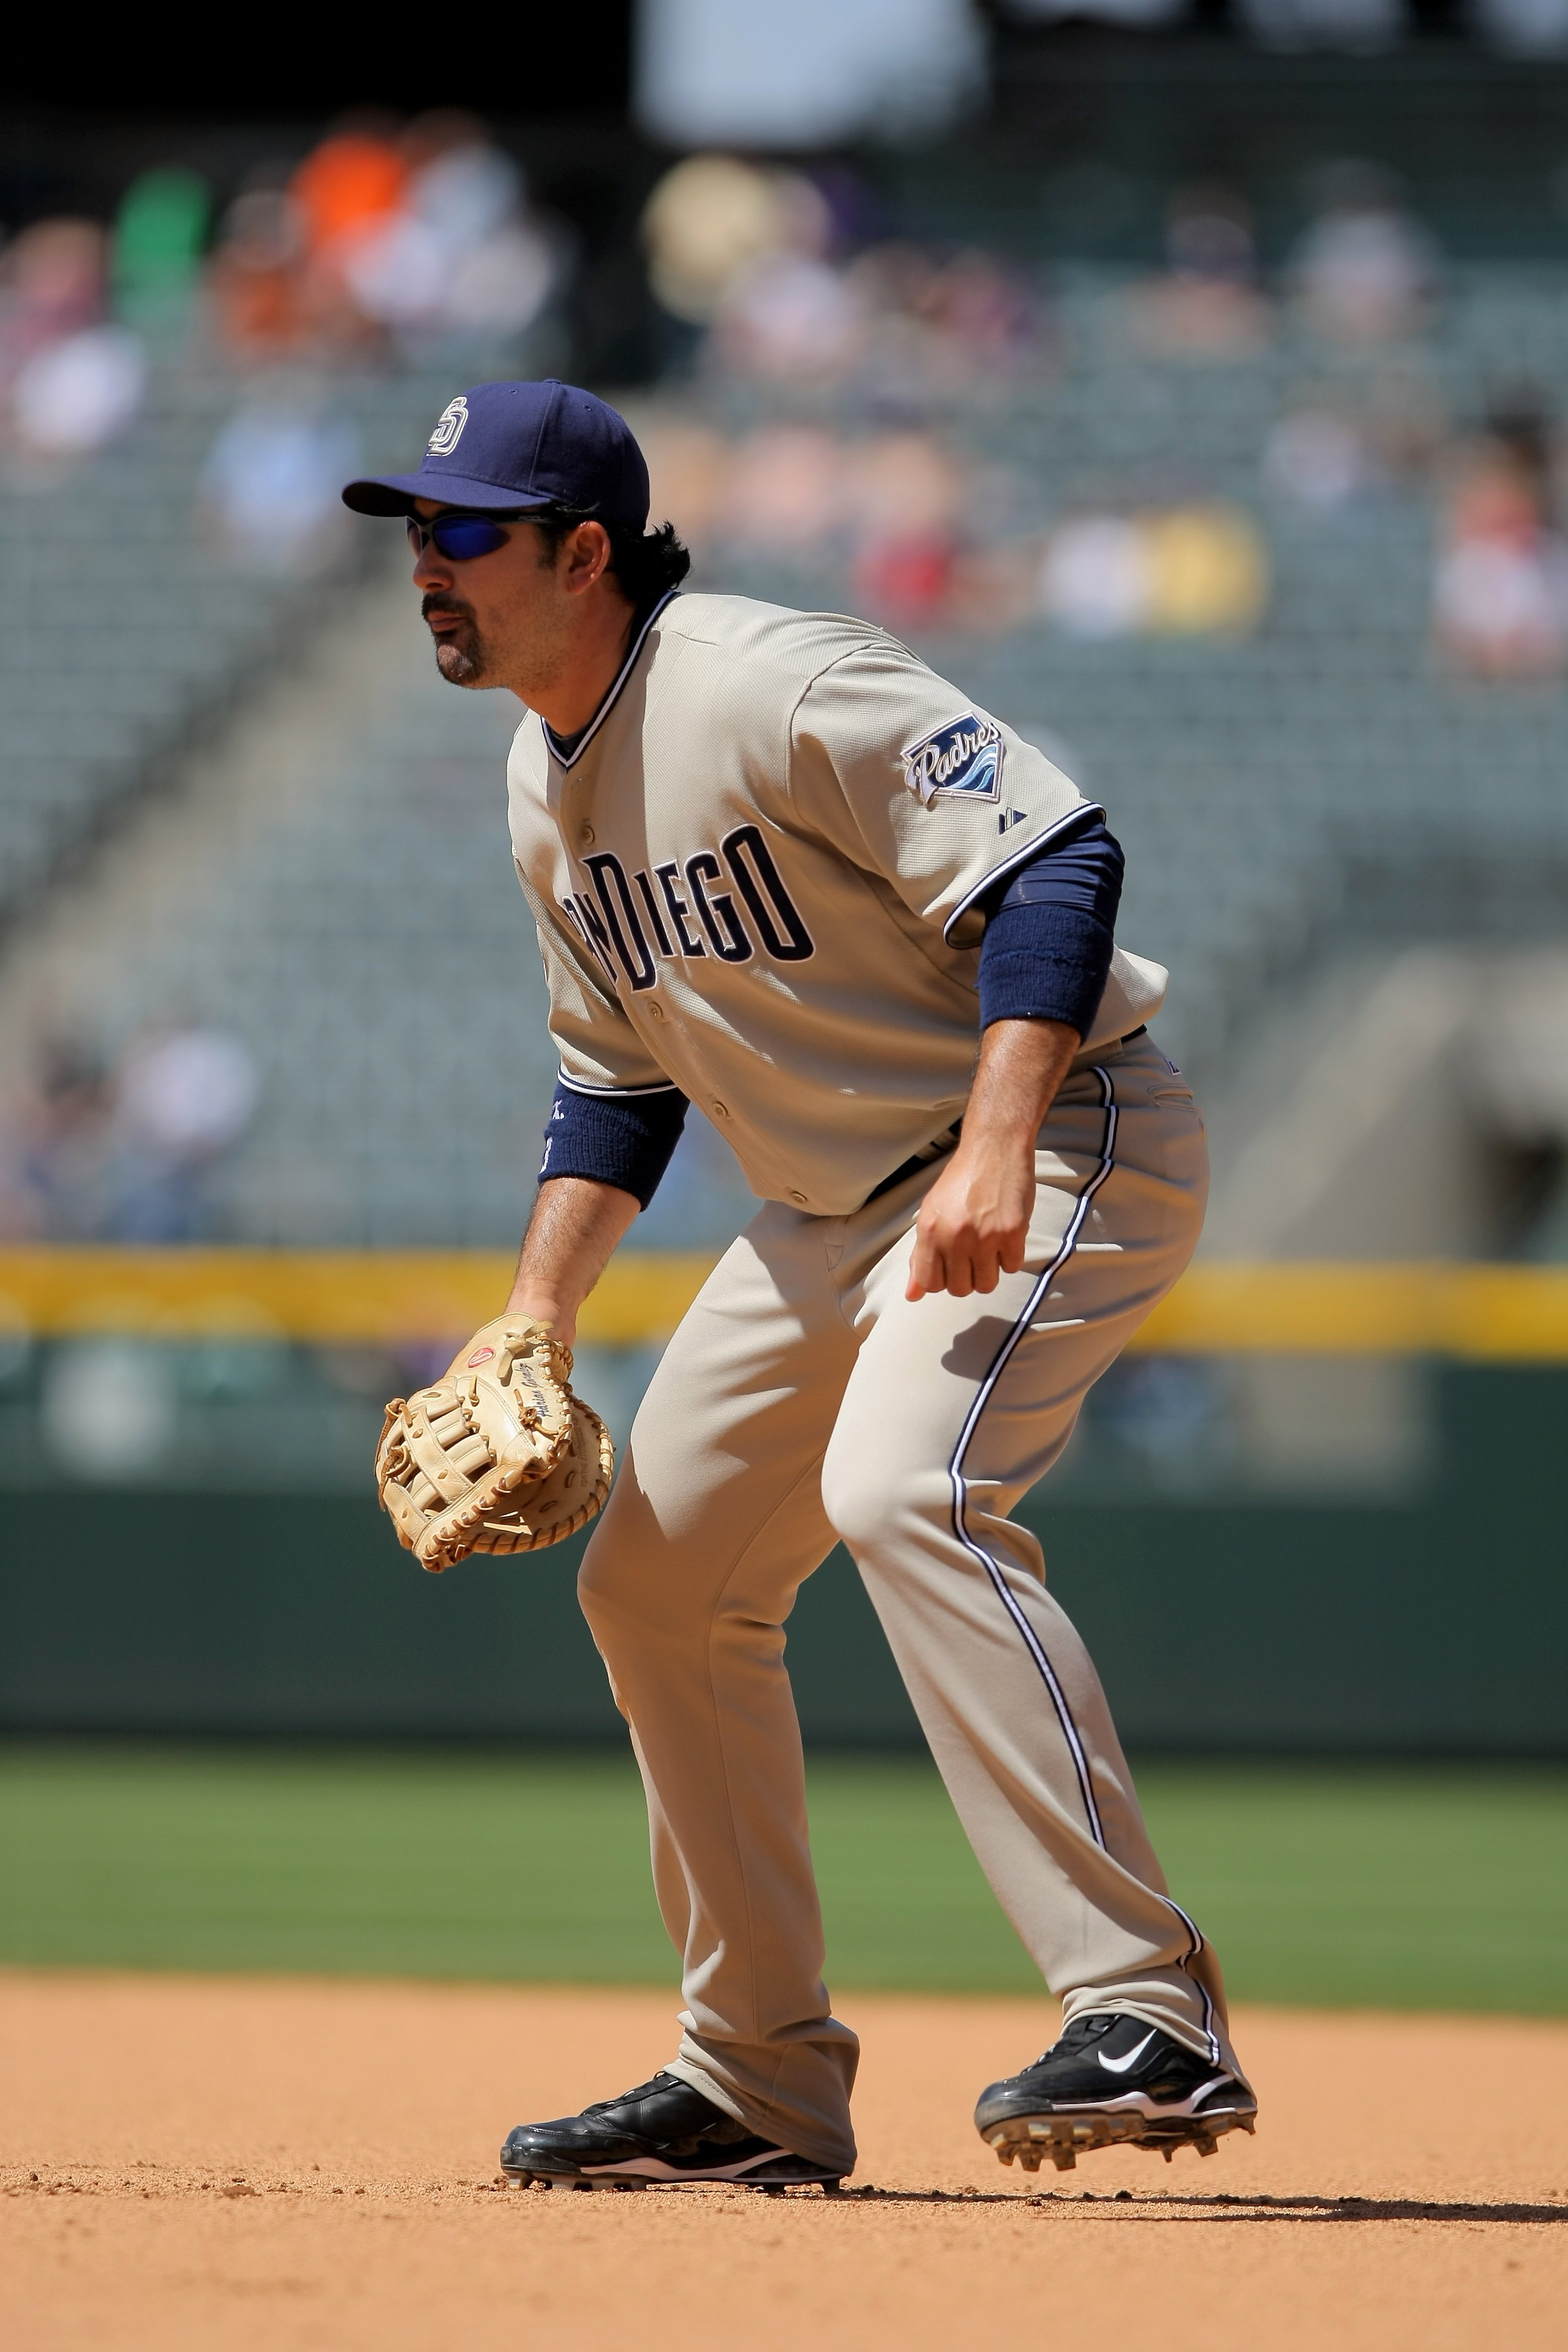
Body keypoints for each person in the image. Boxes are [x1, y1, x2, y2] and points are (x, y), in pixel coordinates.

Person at [342, 381, 1256, 2192]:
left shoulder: (770, 680)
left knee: (907, 1487)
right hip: (836, 1211)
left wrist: (1001, 1138)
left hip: (1059, 1131)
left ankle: (1148, 2006)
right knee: (658, 1584)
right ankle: (754, 2073)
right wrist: (536, 1314)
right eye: (414, 533)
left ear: (581, 553)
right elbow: (619, 1079)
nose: (424, 568)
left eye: (463, 532)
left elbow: (1062, 854)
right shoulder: (542, 779)